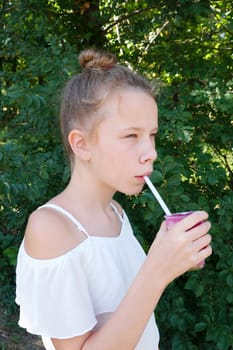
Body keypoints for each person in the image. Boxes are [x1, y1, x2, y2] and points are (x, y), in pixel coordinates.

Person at [15, 48, 212, 350]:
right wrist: (157, 270)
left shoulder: (115, 212)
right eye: (131, 136)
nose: (151, 152)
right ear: (81, 144)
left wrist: (173, 260)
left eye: (152, 135)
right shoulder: (50, 229)